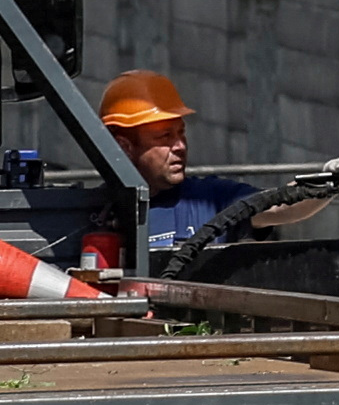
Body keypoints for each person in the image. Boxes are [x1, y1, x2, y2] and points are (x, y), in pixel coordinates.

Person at [96, 69, 322, 267]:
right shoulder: (90, 213)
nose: (180, 146)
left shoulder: (209, 200)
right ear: (124, 147)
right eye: (165, 136)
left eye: (181, 132)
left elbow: (278, 206)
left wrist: (329, 183)